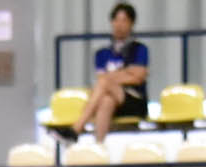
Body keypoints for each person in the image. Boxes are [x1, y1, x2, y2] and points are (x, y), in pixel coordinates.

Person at [56, 4, 149, 145]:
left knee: (105, 84)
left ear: (131, 23)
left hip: (134, 101)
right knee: (106, 100)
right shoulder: (102, 53)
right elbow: (103, 78)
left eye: (124, 20)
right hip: (114, 100)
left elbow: (138, 78)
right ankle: (99, 147)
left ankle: (76, 129)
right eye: (116, 20)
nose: (119, 25)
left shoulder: (140, 49)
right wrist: (127, 73)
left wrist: (112, 76)